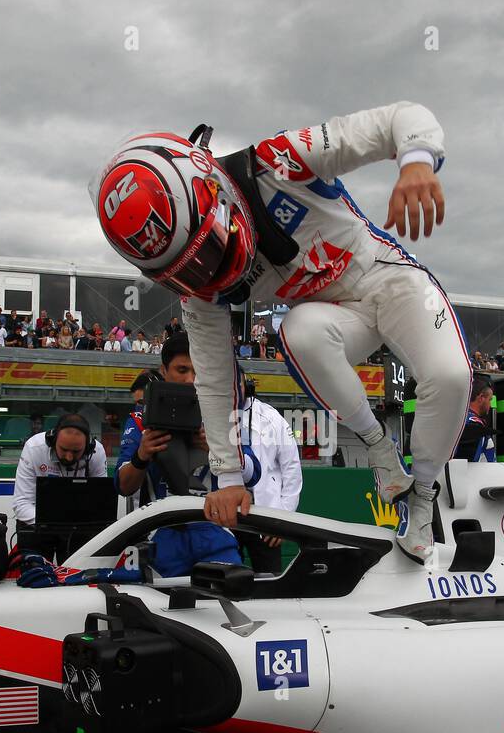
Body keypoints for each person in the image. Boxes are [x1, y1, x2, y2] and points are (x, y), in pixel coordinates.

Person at [91, 102, 469, 563]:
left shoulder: (277, 161)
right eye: (182, 273)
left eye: (207, 249)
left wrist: (415, 162)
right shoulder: (199, 291)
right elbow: (213, 378)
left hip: (387, 280)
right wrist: (228, 479)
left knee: (450, 377)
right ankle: (381, 453)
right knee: (298, 331)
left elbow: (401, 118)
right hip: (333, 319)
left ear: (213, 186)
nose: (206, 274)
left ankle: (423, 494)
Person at [114, 335, 241, 576]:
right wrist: (142, 455)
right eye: (182, 369)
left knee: (229, 601)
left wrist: (217, 450)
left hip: (215, 533)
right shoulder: (141, 420)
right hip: (162, 535)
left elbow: (253, 472)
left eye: (197, 371)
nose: (190, 379)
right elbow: (123, 486)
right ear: (164, 370)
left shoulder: (223, 415)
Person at [12, 412, 108, 562]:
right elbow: (21, 503)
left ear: (88, 446)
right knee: (33, 575)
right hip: (36, 524)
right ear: (53, 440)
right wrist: (55, 522)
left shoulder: (97, 452)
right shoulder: (33, 448)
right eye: (63, 449)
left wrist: (71, 524)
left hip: (78, 527)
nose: (69, 457)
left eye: (76, 452)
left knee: (77, 577)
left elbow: (99, 502)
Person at [231, 376, 303, 573]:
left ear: (246, 387)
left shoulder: (271, 418)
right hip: (227, 513)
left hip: (265, 517)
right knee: (223, 579)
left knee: (269, 582)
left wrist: (282, 521)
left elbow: (292, 468)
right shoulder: (212, 414)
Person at [454, 375, 496, 462]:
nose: (490, 405)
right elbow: (467, 464)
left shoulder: (458, 418)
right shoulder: (474, 424)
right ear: (481, 398)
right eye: (490, 400)